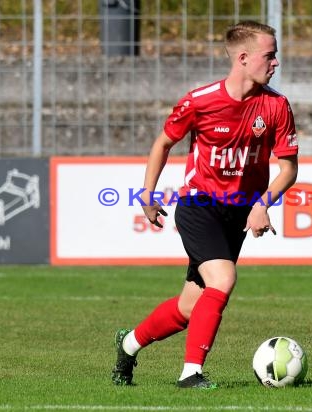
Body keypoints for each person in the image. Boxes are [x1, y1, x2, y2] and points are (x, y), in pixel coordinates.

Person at [111, 20, 299, 389]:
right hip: (200, 206)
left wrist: (262, 204)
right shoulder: (200, 101)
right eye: (270, 55)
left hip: (239, 213)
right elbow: (162, 144)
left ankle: (129, 344)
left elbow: (289, 169)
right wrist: (147, 194)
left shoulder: (276, 105)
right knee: (224, 279)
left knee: (187, 308)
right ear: (243, 58)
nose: (276, 62)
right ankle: (190, 373)